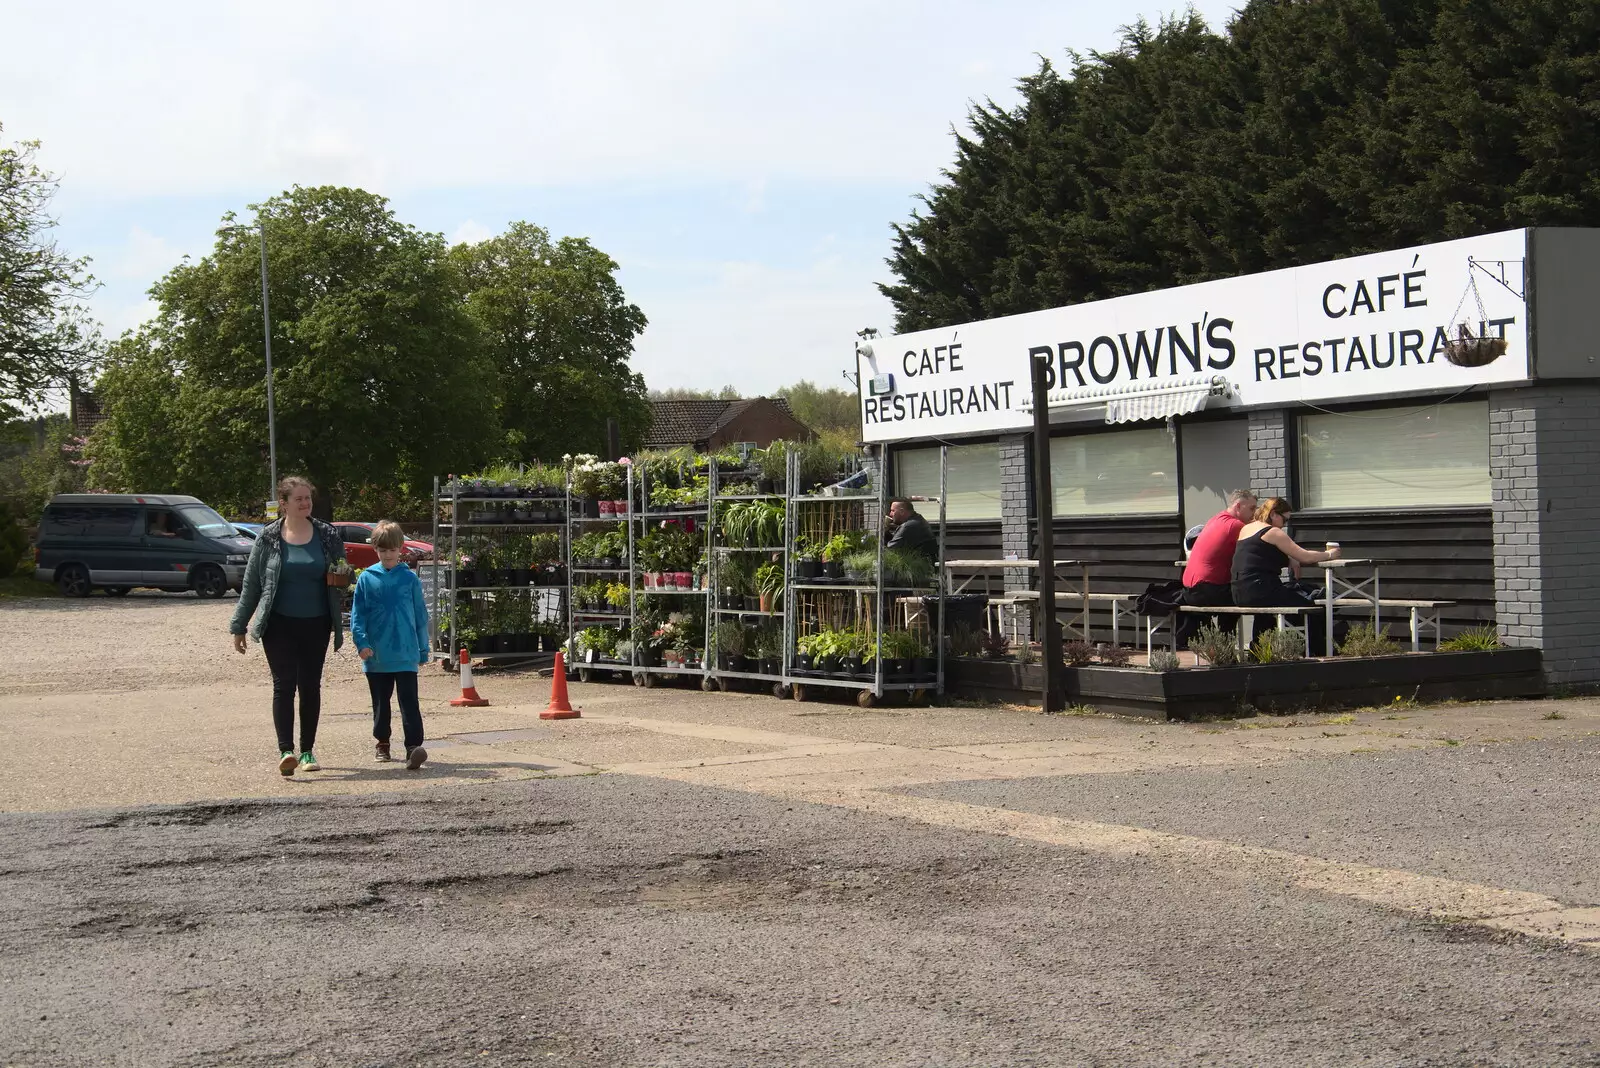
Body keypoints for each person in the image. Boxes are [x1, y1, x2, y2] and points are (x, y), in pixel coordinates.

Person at [229, 476, 348, 777]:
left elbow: (342, 571)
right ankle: (286, 752)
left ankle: (307, 751)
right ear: (284, 503)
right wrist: (239, 625)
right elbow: (252, 584)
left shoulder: (327, 534)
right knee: (284, 685)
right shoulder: (268, 538)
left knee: (310, 686)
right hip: (279, 623)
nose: (306, 503)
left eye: (308, 498)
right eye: (299, 499)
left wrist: (343, 575)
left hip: (317, 622)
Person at [350, 520, 431, 770]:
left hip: (406, 652)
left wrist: (423, 647)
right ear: (375, 549)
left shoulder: (409, 579)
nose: (388, 555)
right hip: (376, 655)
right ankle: (382, 742)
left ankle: (413, 747)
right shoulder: (366, 578)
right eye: (383, 550)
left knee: (409, 702)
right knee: (381, 702)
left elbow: (420, 615)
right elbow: (358, 615)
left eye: (392, 550)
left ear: (401, 549)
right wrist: (361, 643)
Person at [1231, 497, 1343, 653]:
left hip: (1239, 592)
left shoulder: (1247, 529)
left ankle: (1257, 652)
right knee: (1311, 607)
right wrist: (1329, 555)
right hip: (1262, 590)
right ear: (1274, 514)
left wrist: (1289, 558)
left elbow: (1260, 554)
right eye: (1284, 520)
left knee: (1265, 613)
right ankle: (1317, 651)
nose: (1284, 525)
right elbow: (1305, 556)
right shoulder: (1273, 532)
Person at [1176, 489, 1257, 648]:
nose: (1254, 514)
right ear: (1238, 506)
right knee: (1252, 599)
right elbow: (1259, 548)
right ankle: (1230, 649)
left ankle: (1221, 649)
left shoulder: (1216, 519)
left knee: (1234, 598)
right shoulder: (1236, 525)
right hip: (1206, 589)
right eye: (1252, 509)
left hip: (1188, 589)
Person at [885, 497, 936, 562]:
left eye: (893, 511)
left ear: (902, 511)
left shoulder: (908, 526)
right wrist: (886, 532)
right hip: (926, 564)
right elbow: (897, 540)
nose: (890, 514)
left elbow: (891, 550)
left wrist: (882, 531)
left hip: (919, 568)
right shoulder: (918, 519)